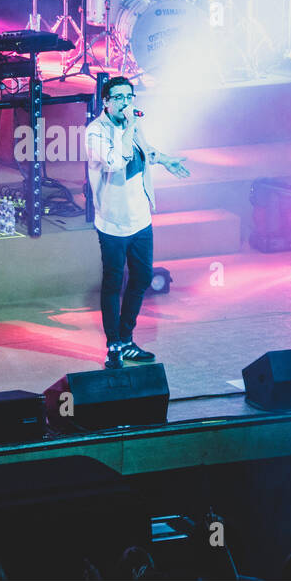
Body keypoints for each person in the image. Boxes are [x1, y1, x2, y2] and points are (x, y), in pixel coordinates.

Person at [85, 75, 189, 367]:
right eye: (118, 97)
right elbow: (115, 162)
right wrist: (129, 129)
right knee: (113, 283)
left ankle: (127, 338)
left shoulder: (134, 125)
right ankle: (113, 345)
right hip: (113, 223)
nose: (125, 103)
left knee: (142, 277)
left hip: (140, 219)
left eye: (129, 97)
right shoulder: (95, 133)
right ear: (105, 102)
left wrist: (166, 159)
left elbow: (145, 151)